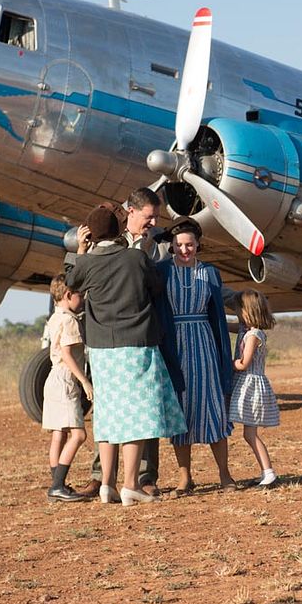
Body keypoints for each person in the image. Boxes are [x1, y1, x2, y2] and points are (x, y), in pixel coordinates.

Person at [66, 205, 187, 506]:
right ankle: (131, 484)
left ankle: (107, 484)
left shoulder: (87, 263)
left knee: (107, 416)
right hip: (136, 344)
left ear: (92, 234)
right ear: (119, 231)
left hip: (101, 349)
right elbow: (158, 287)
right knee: (138, 417)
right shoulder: (135, 258)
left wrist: (81, 250)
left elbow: (70, 283)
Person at [155, 217, 236, 494]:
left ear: (198, 244)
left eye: (189, 244)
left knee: (213, 406)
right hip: (175, 345)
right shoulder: (162, 271)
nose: (184, 250)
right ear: (172, 246)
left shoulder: (210, 272)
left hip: (204, 343)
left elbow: (218, 316)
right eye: (179, 245)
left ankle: (225, 474)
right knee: (181, 409)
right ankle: (184, 477)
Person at [42, 274, 94, 502]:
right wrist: (84, 381)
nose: (81, 300)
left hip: (53, 378)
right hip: (65, 379)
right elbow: (67, 353)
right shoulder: (70, 320)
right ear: (68, 295)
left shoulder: (54, 318)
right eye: (79, 295)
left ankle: (58, 484)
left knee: (58, 434)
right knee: (79, 434)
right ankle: (57, 486)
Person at [228, 289, 280, 487]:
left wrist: (226, 363)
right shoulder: (248, 331)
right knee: (249, 434)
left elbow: (243, 363)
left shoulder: (253, 335)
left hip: (252, 387)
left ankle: (269, 473)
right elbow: (230, 326)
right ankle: (266, 472)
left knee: (250, 434)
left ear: (247, 312)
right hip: (251, 385)